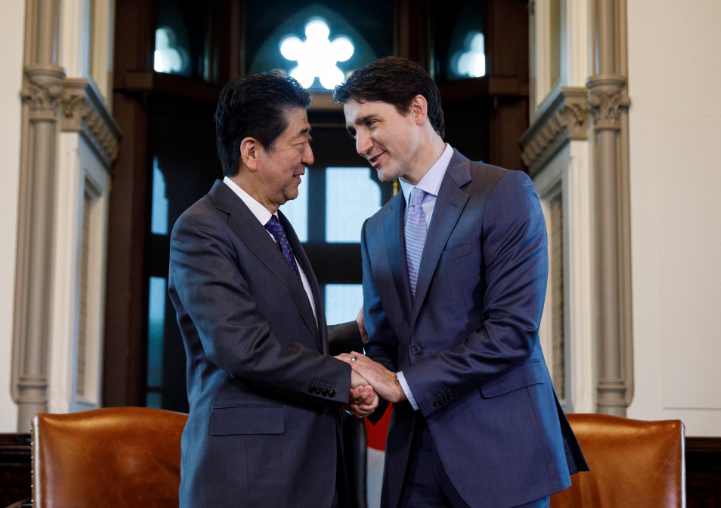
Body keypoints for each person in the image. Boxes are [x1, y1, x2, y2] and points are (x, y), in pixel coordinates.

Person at [333, 57, 588, 508]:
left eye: (370, 123)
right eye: (354, 130)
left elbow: (511, 332)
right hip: (412, 463)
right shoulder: (375, 228)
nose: (361, 144)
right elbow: (386, 343)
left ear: (417, 109)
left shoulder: (505, 192)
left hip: (500, 454)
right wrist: (369, 388)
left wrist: (403, 384)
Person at [168, 71, 378, 508]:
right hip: (248, 478)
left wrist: (351, 333)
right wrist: (344, 377)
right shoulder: (201, 229)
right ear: (252, 152)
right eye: (300, 143)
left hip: (307, 471)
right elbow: (242, 348)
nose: (310, 157)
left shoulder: (276, 225)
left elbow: (286, 334)